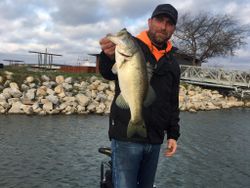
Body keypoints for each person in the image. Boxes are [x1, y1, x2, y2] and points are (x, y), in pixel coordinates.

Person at [99, 4, 180, 188]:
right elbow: (108, 72)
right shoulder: (133, 46)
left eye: (169, 23)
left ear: (173, 29)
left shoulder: (173, 63)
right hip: (126, 139)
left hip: (155, 139)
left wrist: (173, 134)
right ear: (149, 22)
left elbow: (172, 101)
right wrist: (106, 56)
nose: (163, 26)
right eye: (159, 20)